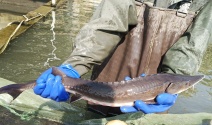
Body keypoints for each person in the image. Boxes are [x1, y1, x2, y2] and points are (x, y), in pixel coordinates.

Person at [33, 0, 211, 116]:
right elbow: (106, 24)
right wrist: (74, 65)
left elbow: (191, 45)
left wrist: (177, 74)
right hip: (105, 86)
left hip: (152, 102)